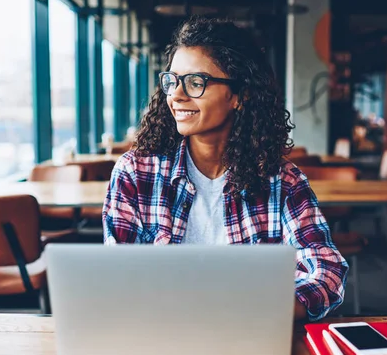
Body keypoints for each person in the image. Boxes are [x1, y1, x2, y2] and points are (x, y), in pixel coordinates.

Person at [102, 16, 347, 321]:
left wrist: (269, 310)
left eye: (195, 82)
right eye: (172, 80)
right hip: (161, 330)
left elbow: (327, 269)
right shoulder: (136, 174)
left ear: (239, 96)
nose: (176, 95)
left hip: (251, 333)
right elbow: (117, 277)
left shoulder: (282, 182)